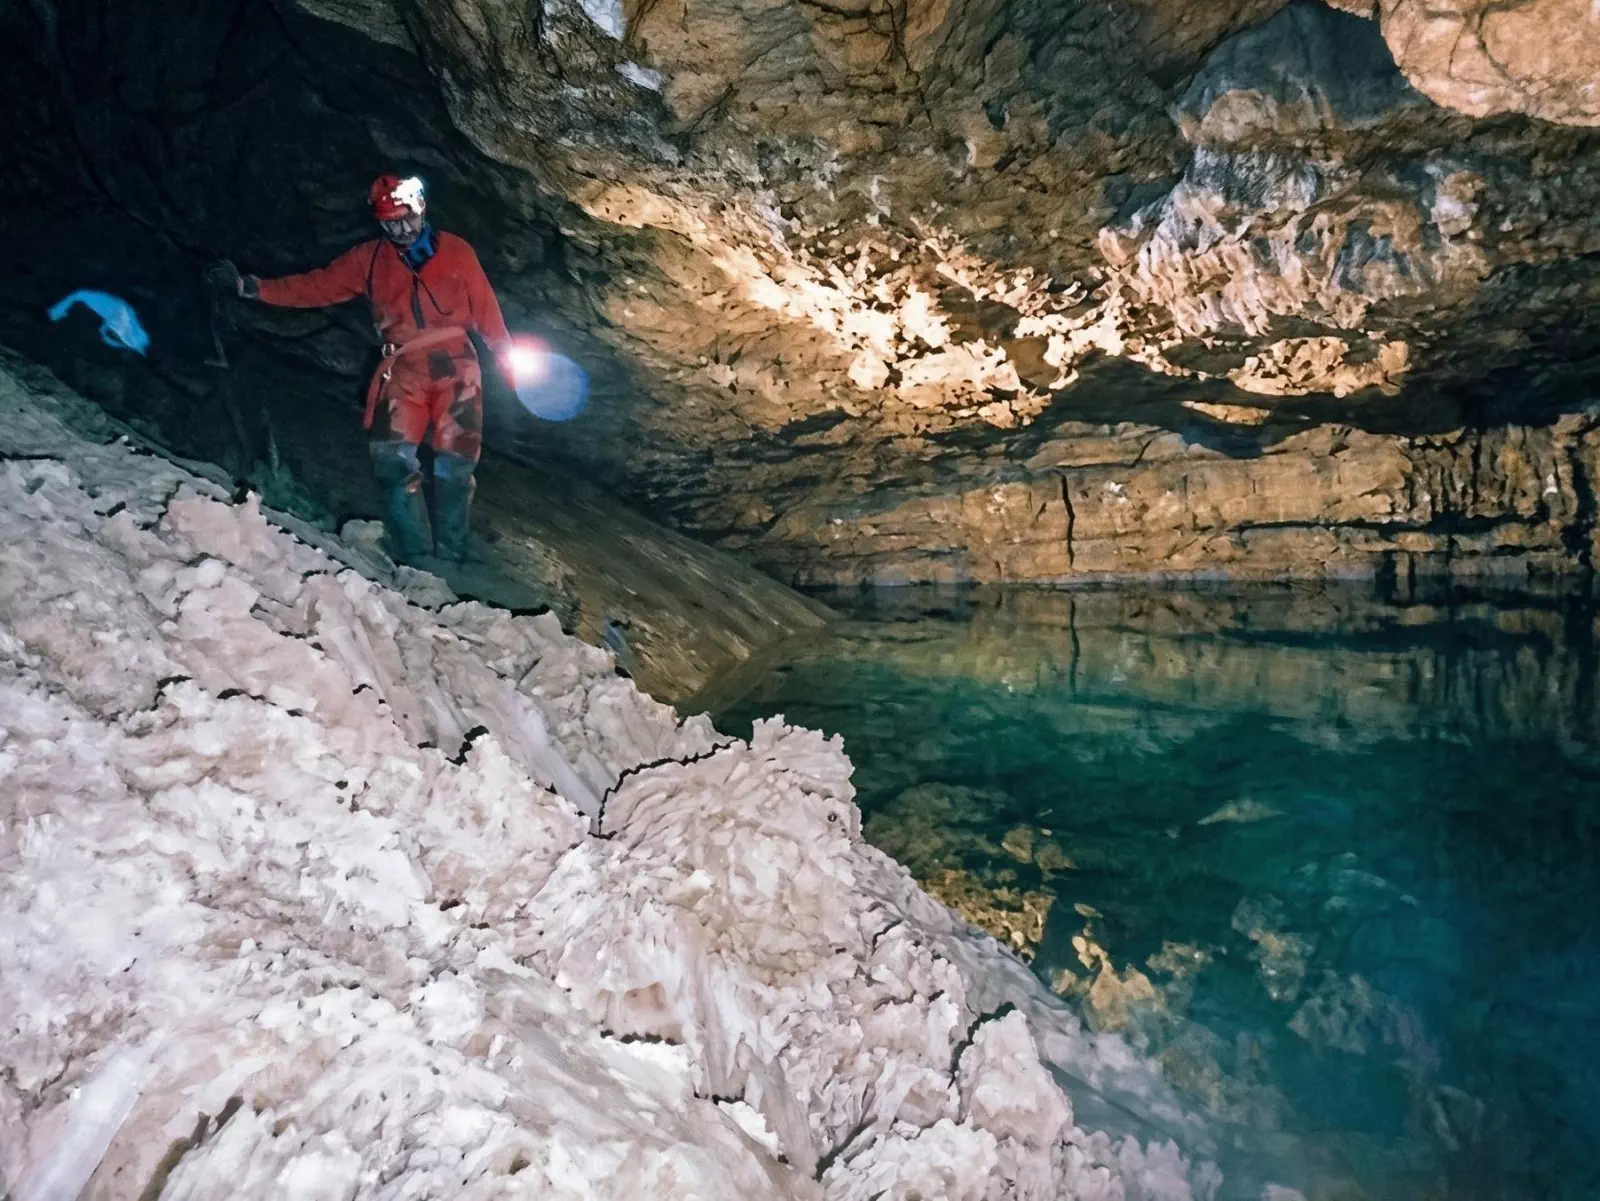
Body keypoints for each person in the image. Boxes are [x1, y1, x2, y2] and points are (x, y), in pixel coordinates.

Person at [209, 174, 510, 567]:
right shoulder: (368, 260)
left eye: (406, 219)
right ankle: (418, 559)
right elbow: (317, 286)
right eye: (389, 223)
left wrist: (506, 356)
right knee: (391, 459)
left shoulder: (456, 252)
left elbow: (486, 309)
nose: (401, 230)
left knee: (455, 465)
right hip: (404, 369)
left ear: (422, 210)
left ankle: (452, 557)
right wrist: (252, 288)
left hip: (457, 366)